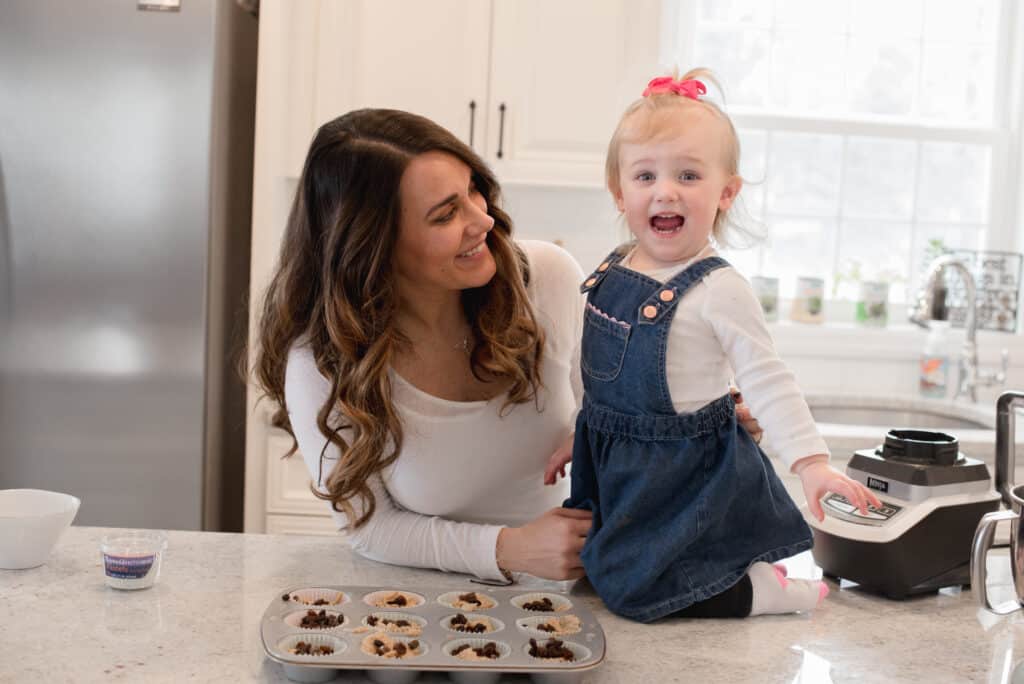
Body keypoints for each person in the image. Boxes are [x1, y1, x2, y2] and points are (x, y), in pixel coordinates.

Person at [251, 107, 764, 584]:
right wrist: (507, 549)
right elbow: (369, 527)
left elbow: (612, 420)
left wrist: (692, 429)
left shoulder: (548, 279)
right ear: (373, 247)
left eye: (475, 190)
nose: (483, 220)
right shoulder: (321, 360)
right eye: (445, 214)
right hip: (417, 608)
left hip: (578, 594)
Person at [547, 69, 882, 622]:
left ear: (725, 193)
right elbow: (598, 365)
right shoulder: (614, 266)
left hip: (680, 470)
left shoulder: (719, 289)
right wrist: (580, 425)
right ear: (619, 190)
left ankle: (768, 592)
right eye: (645, 174)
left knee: (650, 592)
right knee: (605, 576)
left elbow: (768, 379)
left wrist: (812, 462)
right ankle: (716, 576)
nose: (665, 190)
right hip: (613, 454)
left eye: (688, 174)